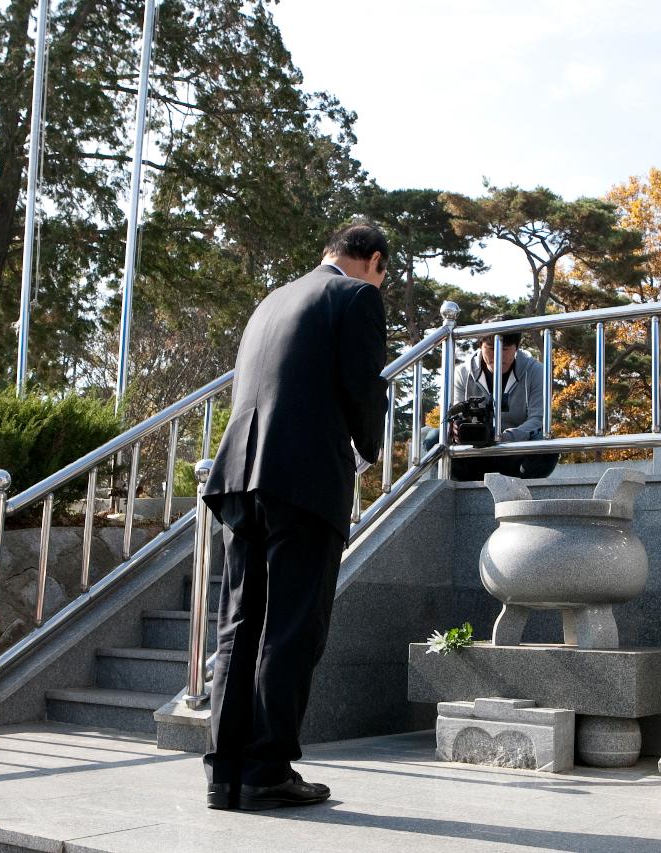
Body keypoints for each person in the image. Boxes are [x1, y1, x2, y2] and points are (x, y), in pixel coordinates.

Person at [200, 222, 388, 811]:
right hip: (304, 481)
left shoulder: (272, 300)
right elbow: (363, 388)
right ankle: (267, 770)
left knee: (240, 625)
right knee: (290, 628)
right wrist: (368, 448)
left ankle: (225, 773)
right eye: (382, 271)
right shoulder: (357, 296)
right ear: (373, 261)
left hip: (241, 477)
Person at [429, 322, 558, 481]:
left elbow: (538, 419)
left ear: (516, 347)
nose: (497, 355)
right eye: (490, 348)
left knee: (547, 443)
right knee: (434, 438)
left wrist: (503, 438)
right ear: (480, 345)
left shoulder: (536, 371)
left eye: (504, 349)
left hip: (514, 452)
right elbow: (454, 413)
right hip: (475, 453)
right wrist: (455, 427)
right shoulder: (462, 373)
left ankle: (524, 488)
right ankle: (469, 485)